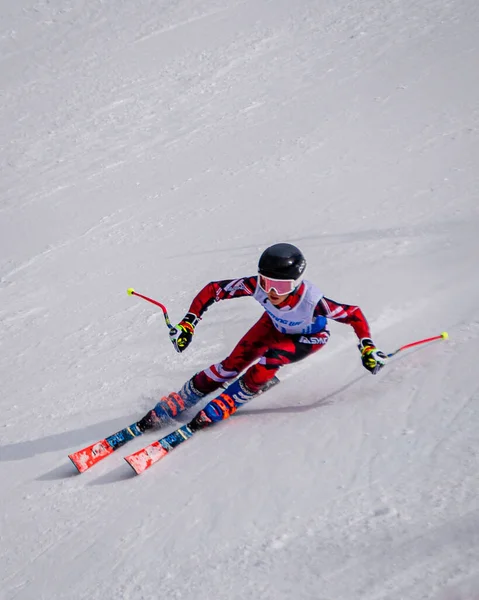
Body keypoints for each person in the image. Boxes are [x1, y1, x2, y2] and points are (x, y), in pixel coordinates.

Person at [137, 243, 387, 433]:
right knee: (230, 365)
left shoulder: (312, 301)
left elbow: (353, 314)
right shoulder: (257, 287)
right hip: (273, 325)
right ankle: (186, 397)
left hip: (308, 336)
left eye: (280, 287)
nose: (270, 292)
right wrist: (189, 322)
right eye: (266, 282)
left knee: (271, 359)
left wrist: (367, 346)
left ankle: (232, 399)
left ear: (296, 284)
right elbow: (214, 290)